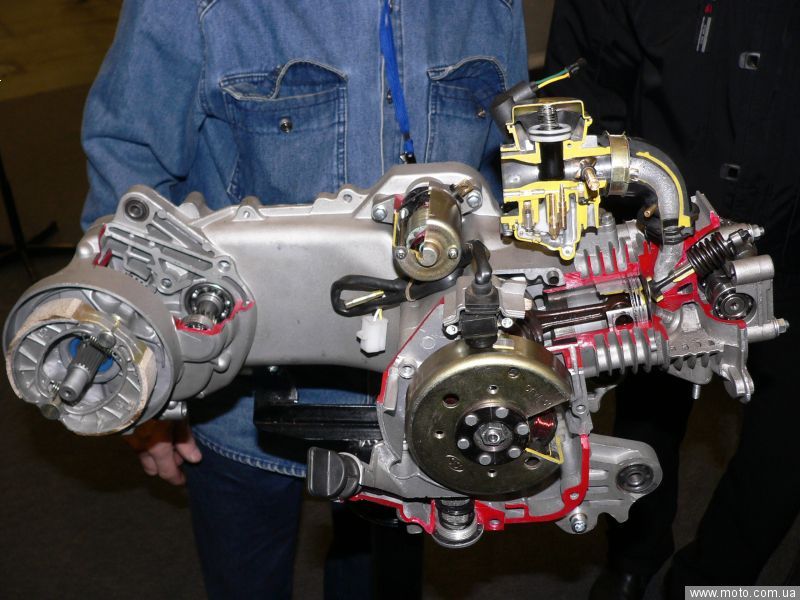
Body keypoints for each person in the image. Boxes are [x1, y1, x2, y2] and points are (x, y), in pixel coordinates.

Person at [81, 1, 529, 598]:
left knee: (379, 583)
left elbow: (508, 177)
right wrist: (136, 382)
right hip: (236, 400)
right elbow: (127, 171)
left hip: (421, 397)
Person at [546, 1, 800, 597]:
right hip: (664, 228)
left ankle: (714, 581)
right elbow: (583, 81)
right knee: (648, 398)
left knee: (787, 436)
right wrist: (617, 205)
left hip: (794, 228)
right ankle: (635, 552)